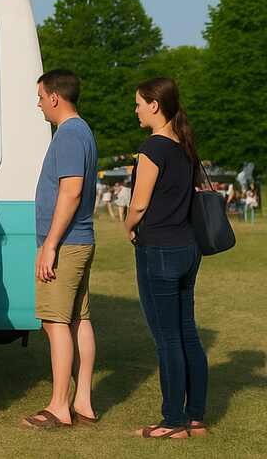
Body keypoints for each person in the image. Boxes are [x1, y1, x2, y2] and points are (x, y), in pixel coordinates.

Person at [123, 77, 209, 439]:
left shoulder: (153, 147)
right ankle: (195, 418)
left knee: (167, 339)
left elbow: (140, 202)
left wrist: (127, 225)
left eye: (139, 103)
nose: (136, 109)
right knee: (187, 333)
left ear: (155, 105)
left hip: (159, 249)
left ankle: (173, 421)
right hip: (188, 248)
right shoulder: (184, 144)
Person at [25, 68, 97, 429]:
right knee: (79, 320)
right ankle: (82, 400)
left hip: (66, 243)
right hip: (80, 239)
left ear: (55, 96)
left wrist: (50, 245)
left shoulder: (69, 134)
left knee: (55, 322)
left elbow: (71, 191)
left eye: (40, 97)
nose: (39, 105)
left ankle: (59, 405)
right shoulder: (81, 131)